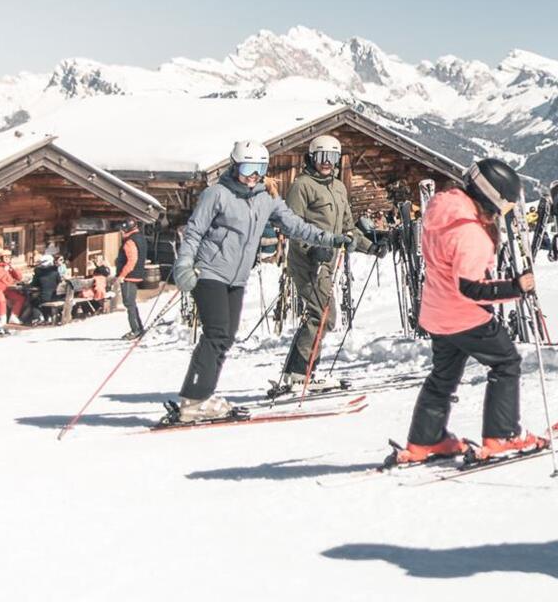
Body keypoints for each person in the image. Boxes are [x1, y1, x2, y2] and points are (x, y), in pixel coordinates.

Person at [169, 140, 349, 423]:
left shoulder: (266, 198)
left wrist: (330, 239)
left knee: (226, 337)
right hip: (209, 273)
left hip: (237, 278)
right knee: (216, 334)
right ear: (234, 166)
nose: (253, 175)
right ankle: (194, 399)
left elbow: (295, 225)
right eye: (248, 168)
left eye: (260, 169)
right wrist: (184, 264)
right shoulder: (216, 194)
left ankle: (201, 396)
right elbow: (194, 232)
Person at [387, 158, 546, 465]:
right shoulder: (470, 233)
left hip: (437, 313)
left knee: (443, 376)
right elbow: (471, 288)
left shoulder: (442, 213)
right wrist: (516, 287)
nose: (502, 212)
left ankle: (425, 440)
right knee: (506, 363)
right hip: (465, 317)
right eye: (504, 204)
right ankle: (502, 435)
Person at [267, 134, 376, 399]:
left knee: (321, 315)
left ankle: (298, 372)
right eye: (322, 156)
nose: (327, 162)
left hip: (328, 262)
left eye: (332, 157)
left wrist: (371, 246)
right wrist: (312, 249)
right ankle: (300, 373)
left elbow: (347, 228)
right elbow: (292, 226)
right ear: (312, 157)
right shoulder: (302, 186)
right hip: (307, 261)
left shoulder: (338, 187)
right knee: (323, 316)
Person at [114, 220, 147, 338]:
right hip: (136, 274)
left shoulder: (130, 241)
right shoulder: (140, 237)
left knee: (129, 303)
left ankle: (135, 329)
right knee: (131, 303)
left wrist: (122, 275)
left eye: (122, 230)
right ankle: (139, 328)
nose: (121, 232)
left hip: (129, 276)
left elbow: (132, 260)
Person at [0, 251, 29, 329]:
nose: (7, 258)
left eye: (9, 257)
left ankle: (14, 316)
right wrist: (4, 271)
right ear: (1, 258)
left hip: (8, 290)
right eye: (5, 257)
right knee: (1, 300)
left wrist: (13, 269)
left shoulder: (9, 267)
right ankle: (2, 319)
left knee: (20, 298)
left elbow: (19, 278)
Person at [28, 253, 63, 325]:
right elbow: (60, 283)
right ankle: (47, 317)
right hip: (55, 296)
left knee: (33, 301)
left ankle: (38, 318)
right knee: (40, 298)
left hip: (46, 297)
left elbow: (34, 284)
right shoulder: (55, 272)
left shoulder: (39, 273)